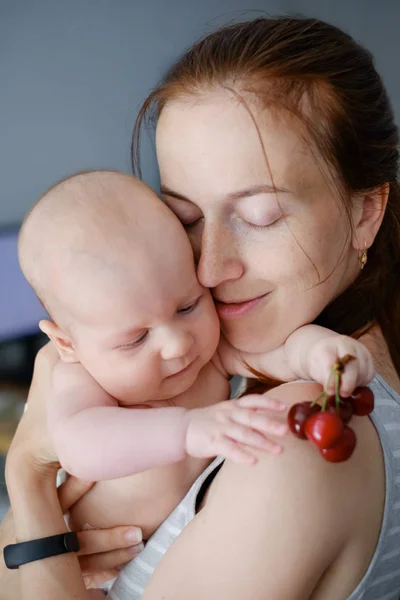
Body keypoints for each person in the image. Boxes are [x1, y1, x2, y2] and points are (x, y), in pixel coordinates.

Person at [2, 14, 400, 600]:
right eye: (184, 219)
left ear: (366, 212)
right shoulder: (245, 355)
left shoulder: (299, 440)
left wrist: (29, 483)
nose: (209, 269)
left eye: (260, 216)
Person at [17, 168, 371, 547]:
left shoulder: (207, 353)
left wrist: (318, 351)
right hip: (95, 566)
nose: (177, 345)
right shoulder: (79, 376)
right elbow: (79, 447)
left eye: (188, 306)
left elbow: (274, 353)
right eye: (136, 339)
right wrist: (186, 430)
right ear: (67, 342)